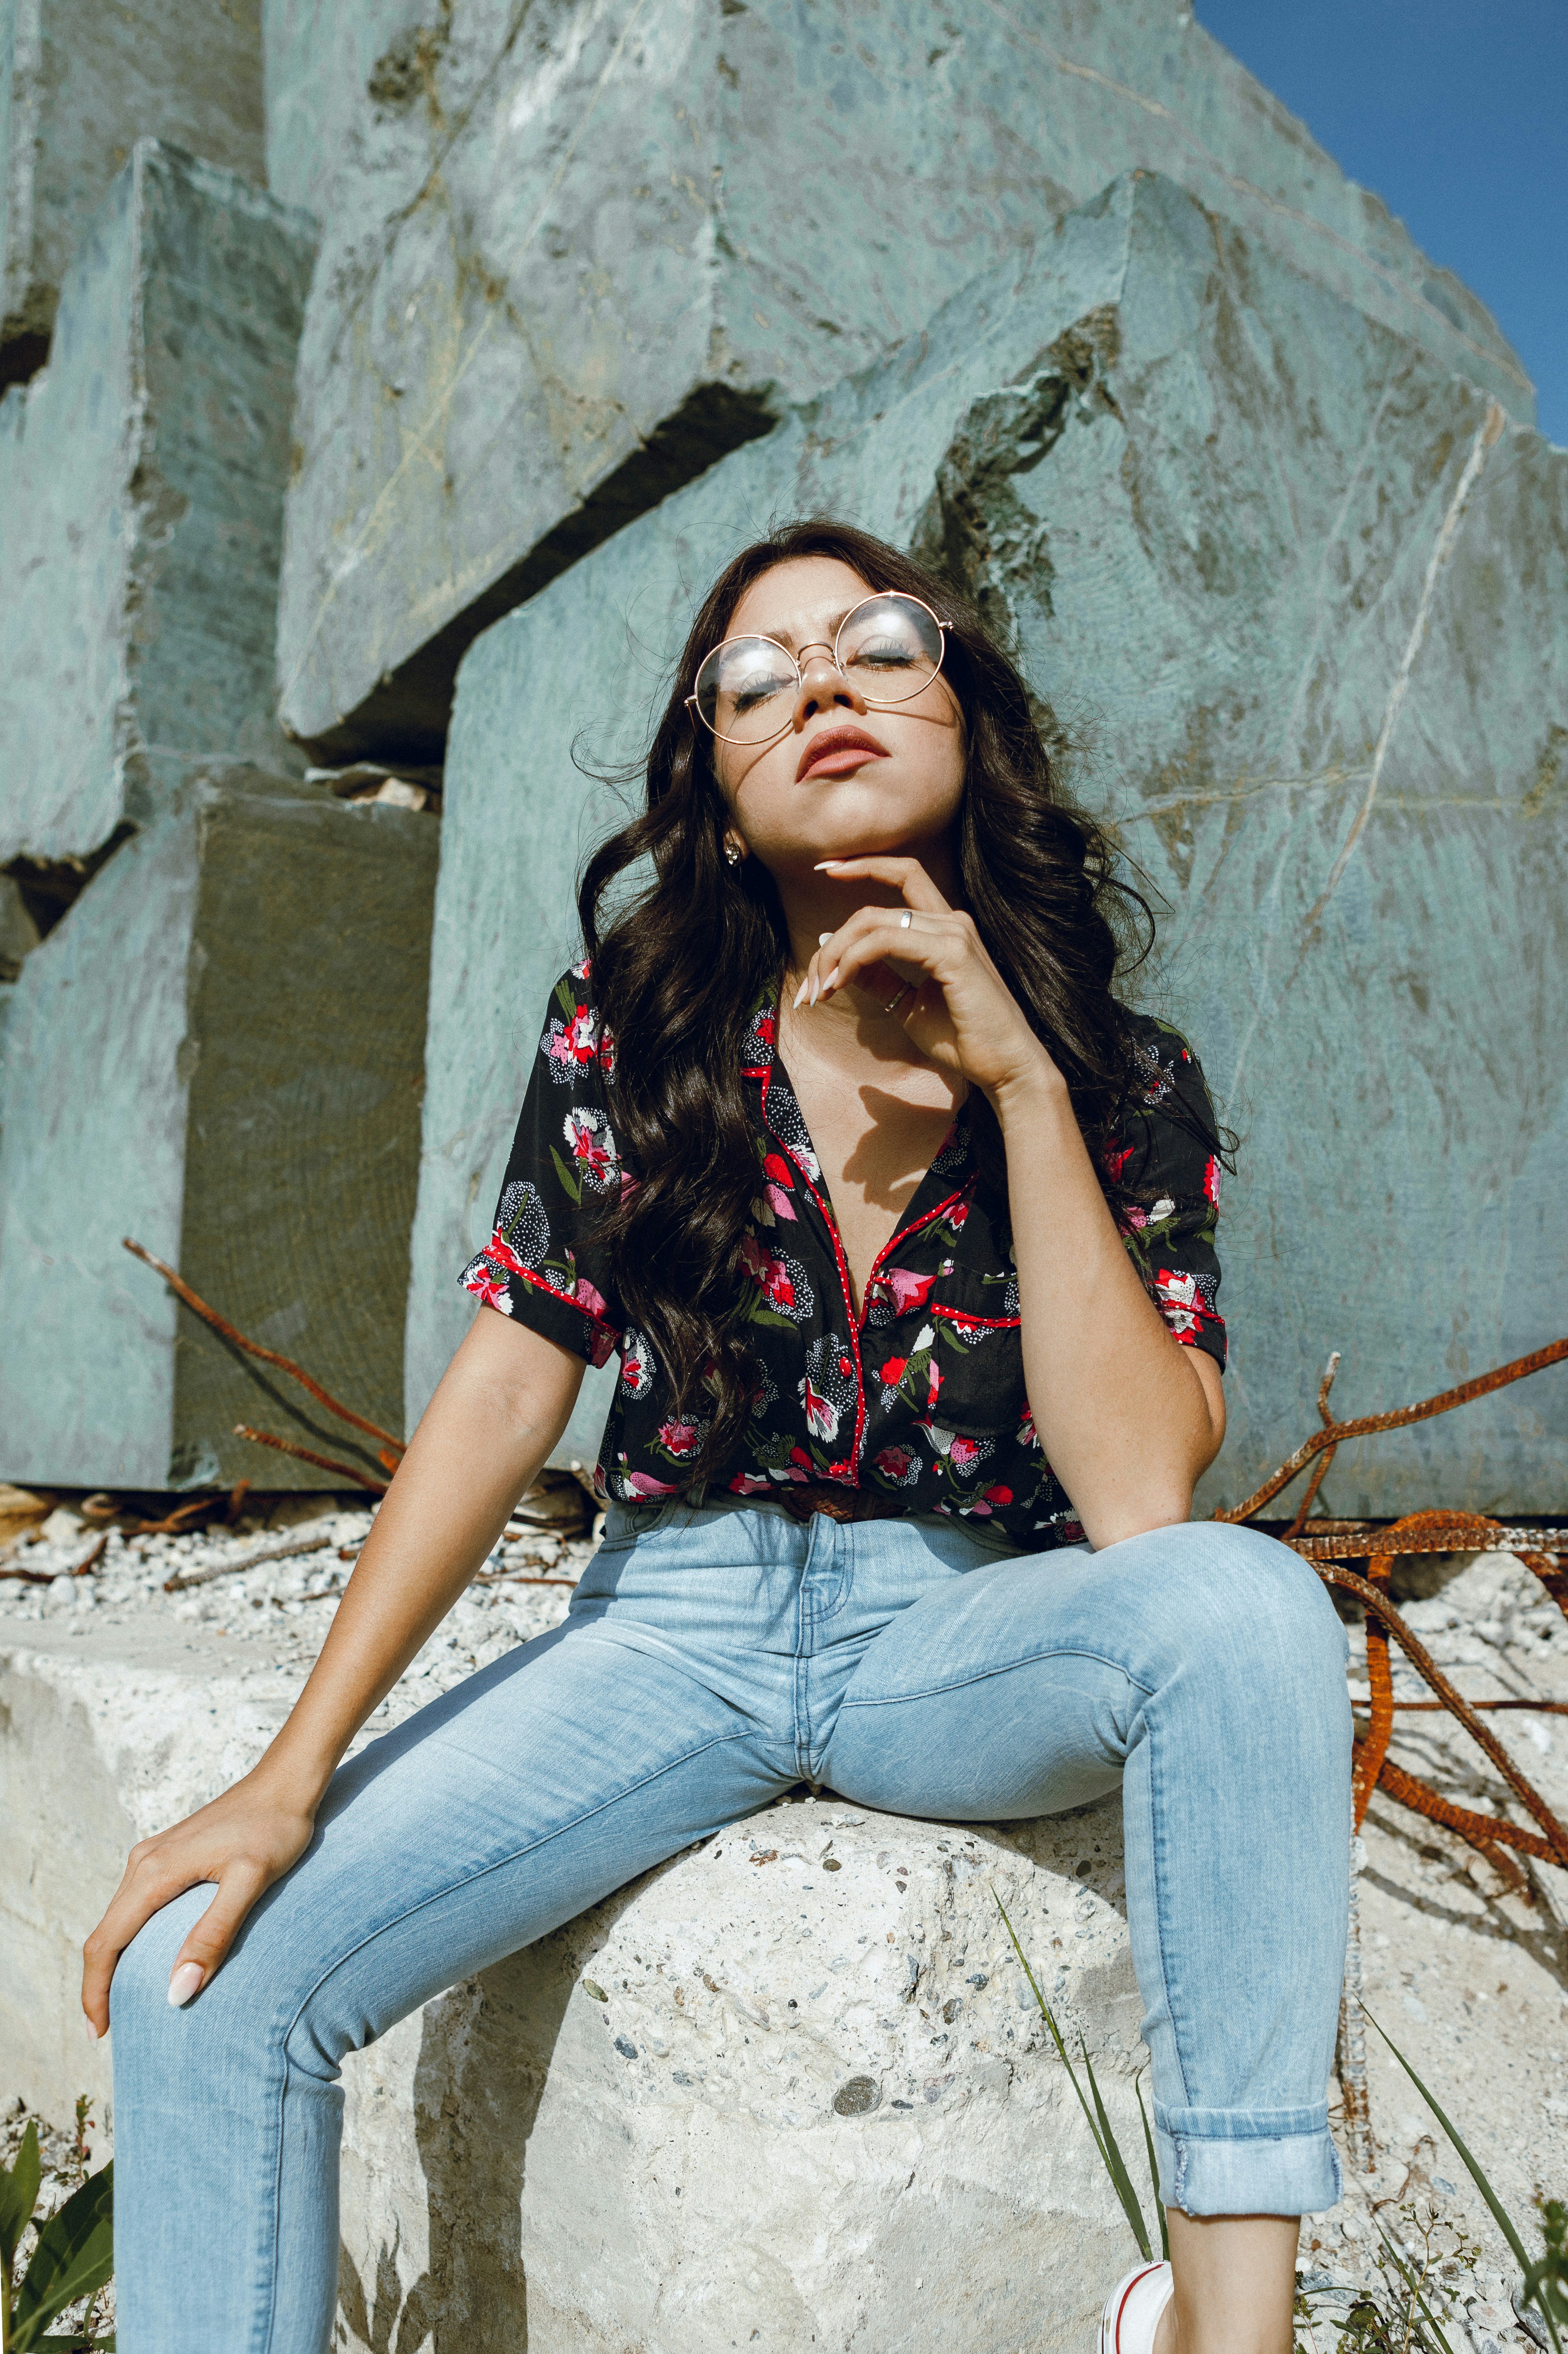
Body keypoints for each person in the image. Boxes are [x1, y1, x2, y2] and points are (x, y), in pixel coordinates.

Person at [86, 519, 1351, 2354]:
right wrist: (290, 1773)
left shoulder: (1118, 1073)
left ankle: (1235, 2329)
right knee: (189, 1981)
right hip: (670, 1630)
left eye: (876, 645)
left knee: (1246, 1610)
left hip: (964, 1632)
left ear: (964, 709)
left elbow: (1141, 1494)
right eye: (755, 676)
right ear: (714, 774)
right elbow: (511, 1389)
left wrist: (1014, 1077)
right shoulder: (636, 1028)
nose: (821, 684)